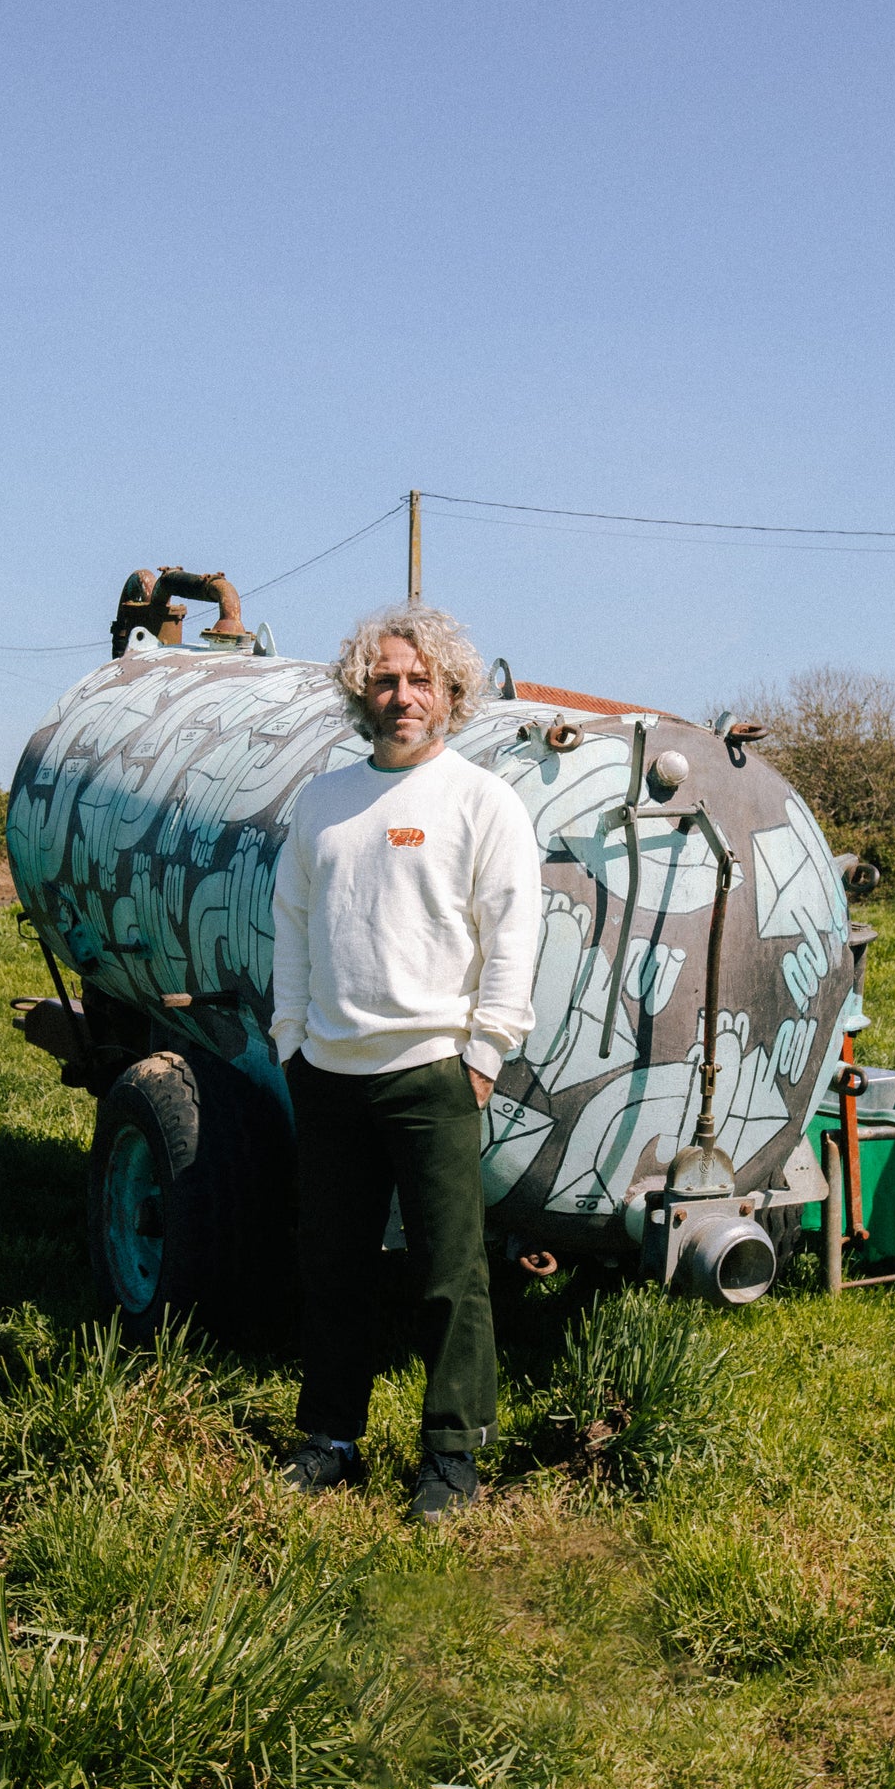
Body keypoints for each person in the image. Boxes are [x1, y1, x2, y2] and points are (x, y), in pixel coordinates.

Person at [271, 604, 543, 1521]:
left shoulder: (481, 801)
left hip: (434, 1072)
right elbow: (292, 927)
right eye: (385, 680)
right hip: (328, 1071)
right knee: (332, 1265)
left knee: (449, 1274)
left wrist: (485, 1053)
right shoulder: (322, 801)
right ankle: (330, 1438)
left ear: (451, 694)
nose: (402, 696)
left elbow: (513, 935)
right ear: (362, 694)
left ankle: (452, 1456)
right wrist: (290, 1041)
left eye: (420, 680)